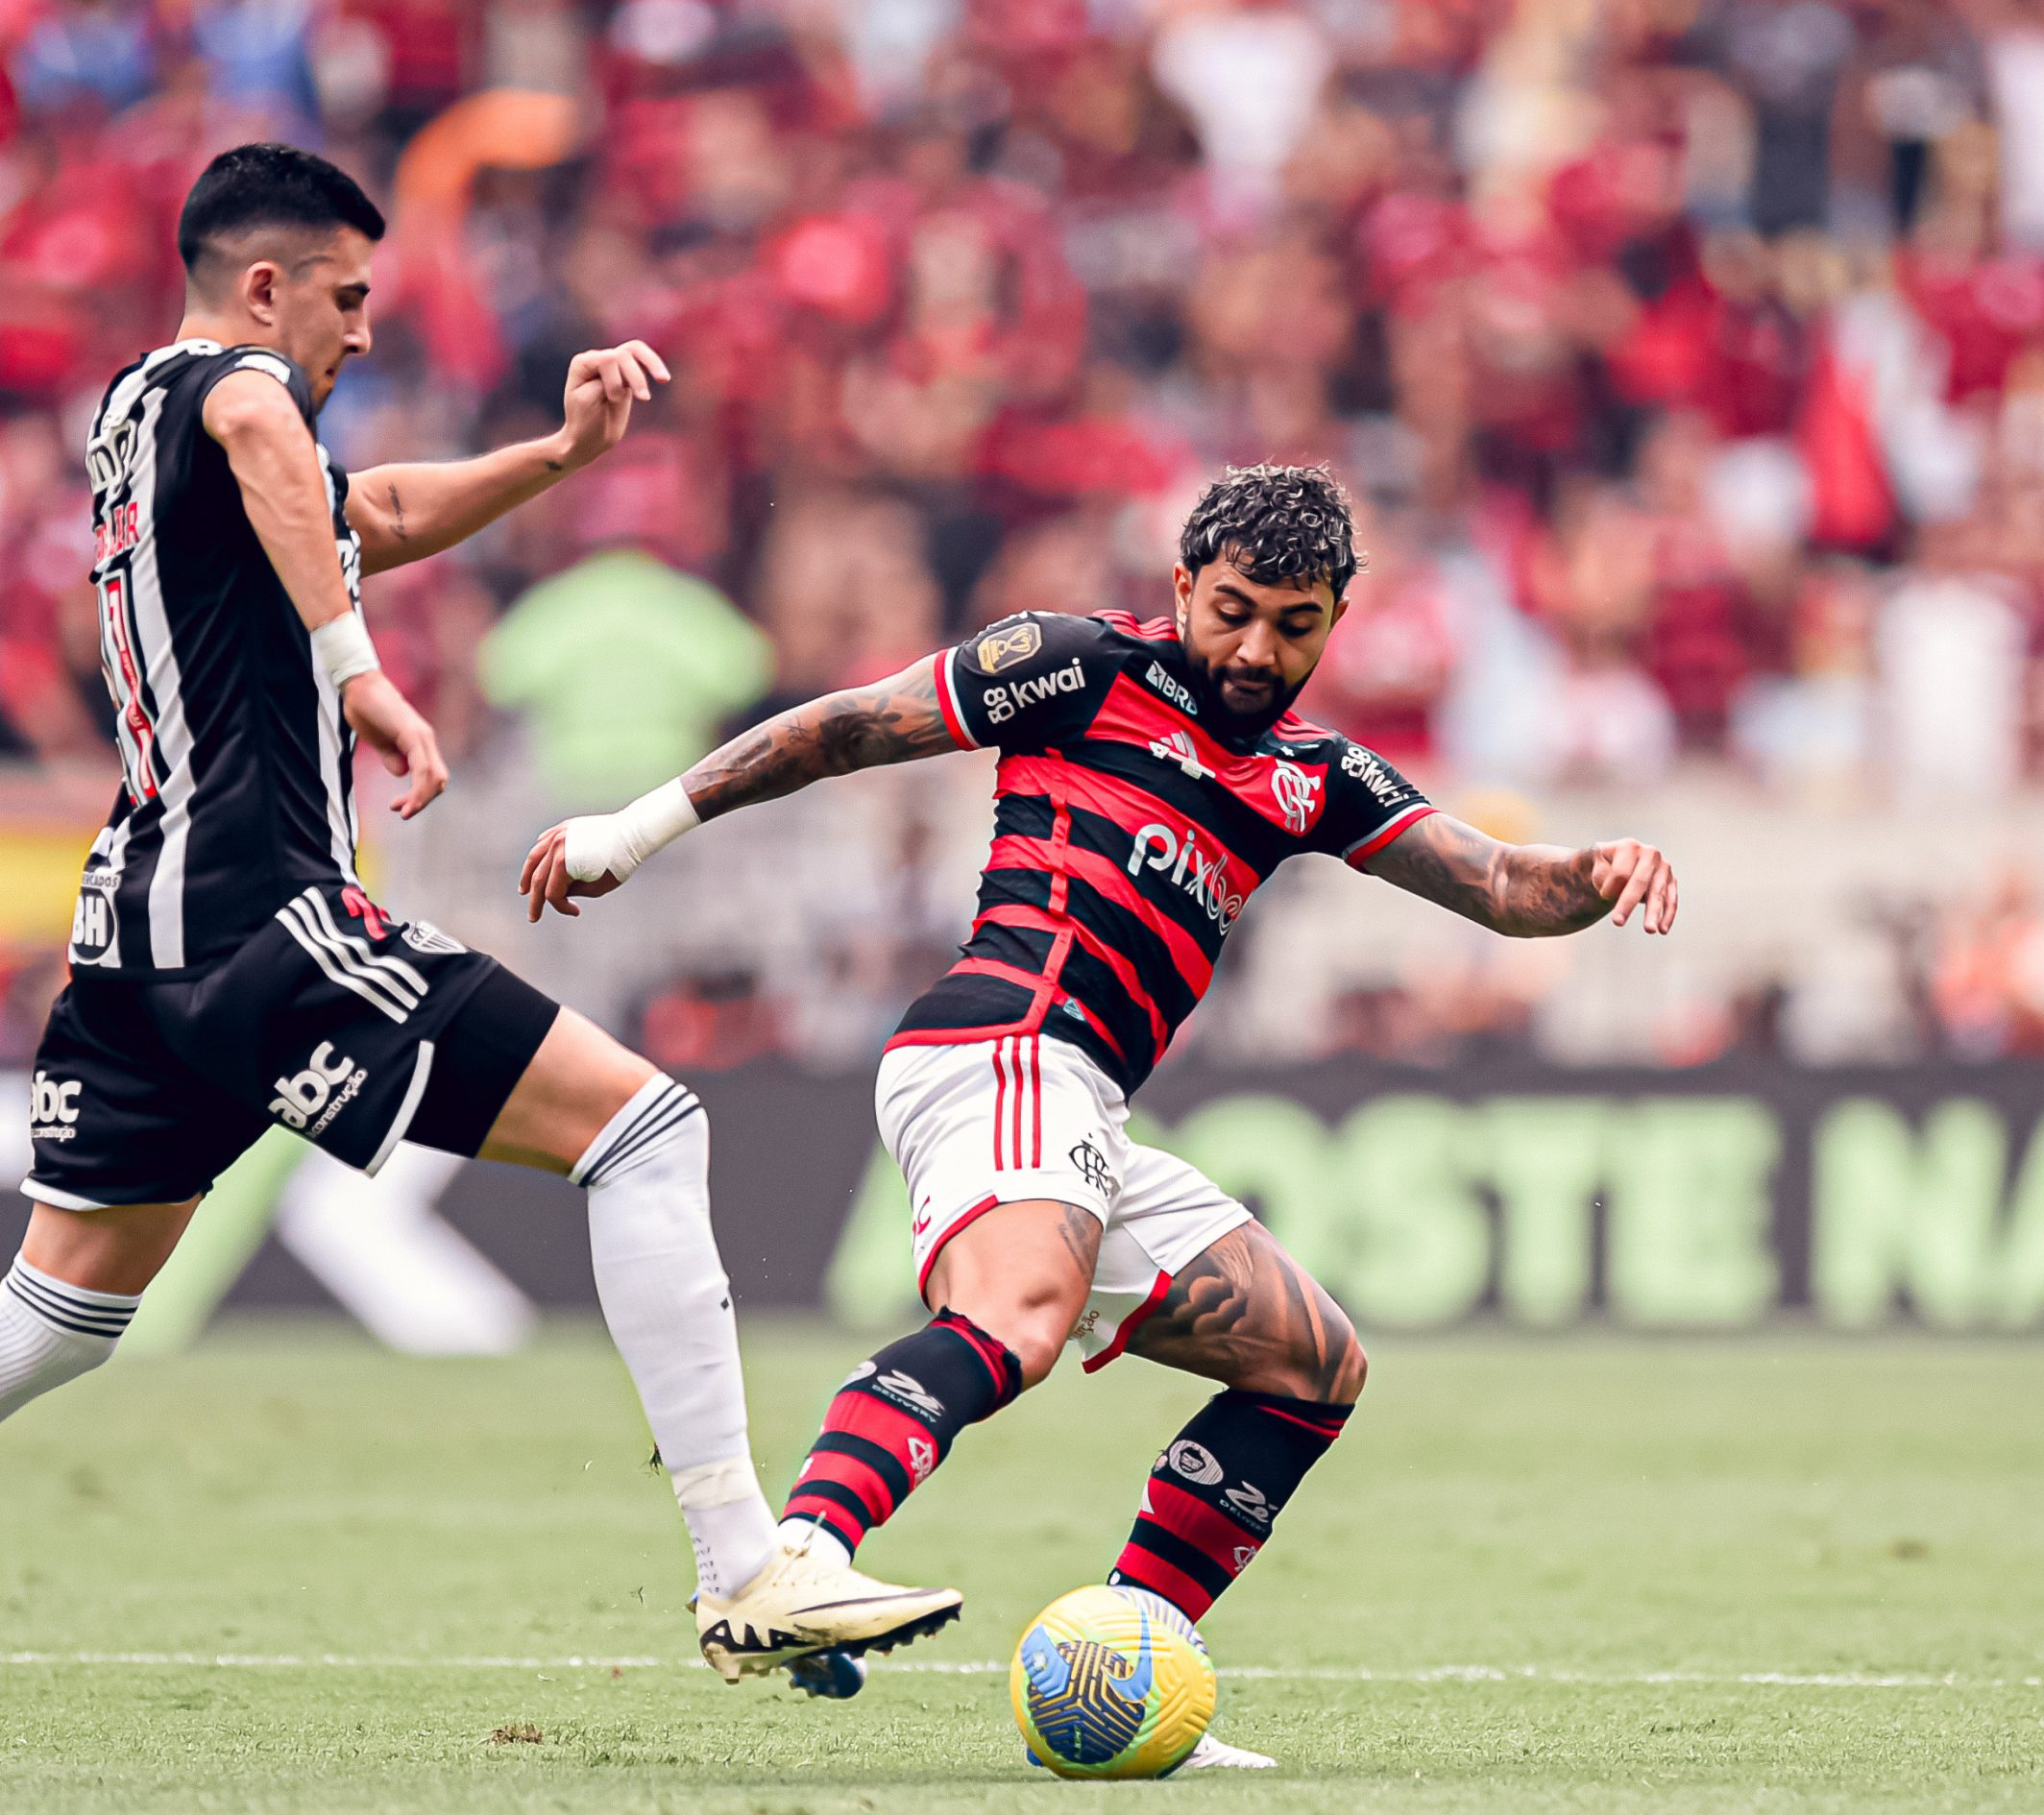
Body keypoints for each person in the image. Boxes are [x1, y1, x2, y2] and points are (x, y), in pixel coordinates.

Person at [0, 143, 956, 1778]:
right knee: (646, 1128)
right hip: (265, 908)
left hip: (135, 928)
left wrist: (556, 452)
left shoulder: (132, 415)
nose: (366, 333)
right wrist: (361, 673)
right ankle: (746, 1561)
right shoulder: (238, 391)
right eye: (348, 296)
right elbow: (276, 436)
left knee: (48, 1312)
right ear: (264, 286)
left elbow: (364, 508)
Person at [522, 463, 1679, 1767]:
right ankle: (788, 1563)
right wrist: (639, 827)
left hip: (1081, 1101)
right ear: (1182, 584)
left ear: (1336, 619)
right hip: (1001, 1042)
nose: (1254, 649)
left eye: (1294, 624)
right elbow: (852, 724)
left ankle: (1126, 1668)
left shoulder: (1314, 774)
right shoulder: (1076, 667)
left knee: (1309, 1367)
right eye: (1231, 608)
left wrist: (1594, 871)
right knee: (1017, 1320)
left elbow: (1504, 888)